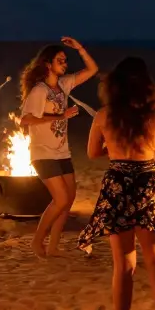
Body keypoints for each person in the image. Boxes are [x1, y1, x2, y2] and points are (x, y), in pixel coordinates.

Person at [76, 57, 155, 310]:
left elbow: (92, 153)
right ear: (146, 85)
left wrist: (116, 151)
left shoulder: (104, 115)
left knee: (124, 265)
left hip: (117, 186)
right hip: (147, 186)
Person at [18, 37, 99, 257]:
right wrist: (60, 115)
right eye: (60, 60)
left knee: (69, 199)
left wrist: (80, 48)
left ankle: (53, 247)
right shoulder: (39, 91)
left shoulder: (63, 85)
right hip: (43, 153)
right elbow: (25, 119)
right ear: (47, 64)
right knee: (61, 199)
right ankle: (37, 241)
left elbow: (92, 69)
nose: (65, 64)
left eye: (65, 60)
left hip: (62, 152)